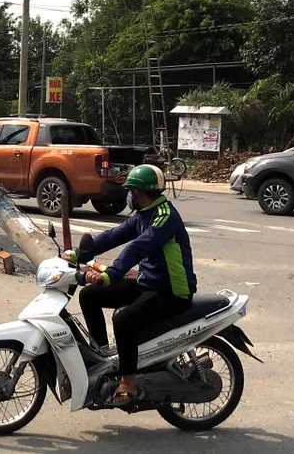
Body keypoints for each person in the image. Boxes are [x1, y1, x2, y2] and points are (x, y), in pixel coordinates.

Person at [65, 164, 196, 408]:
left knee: (124, 320)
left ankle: (129, 384)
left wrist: (111, 274)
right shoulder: (143, 214)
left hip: (170, 292)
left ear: (138, 192)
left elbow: (138, 248)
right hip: (148, 283)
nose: (127, 195)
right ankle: (103, 359)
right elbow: (113, 235)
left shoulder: (164, 217)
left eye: (129, 190)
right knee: (90, 295)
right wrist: (79, 254)